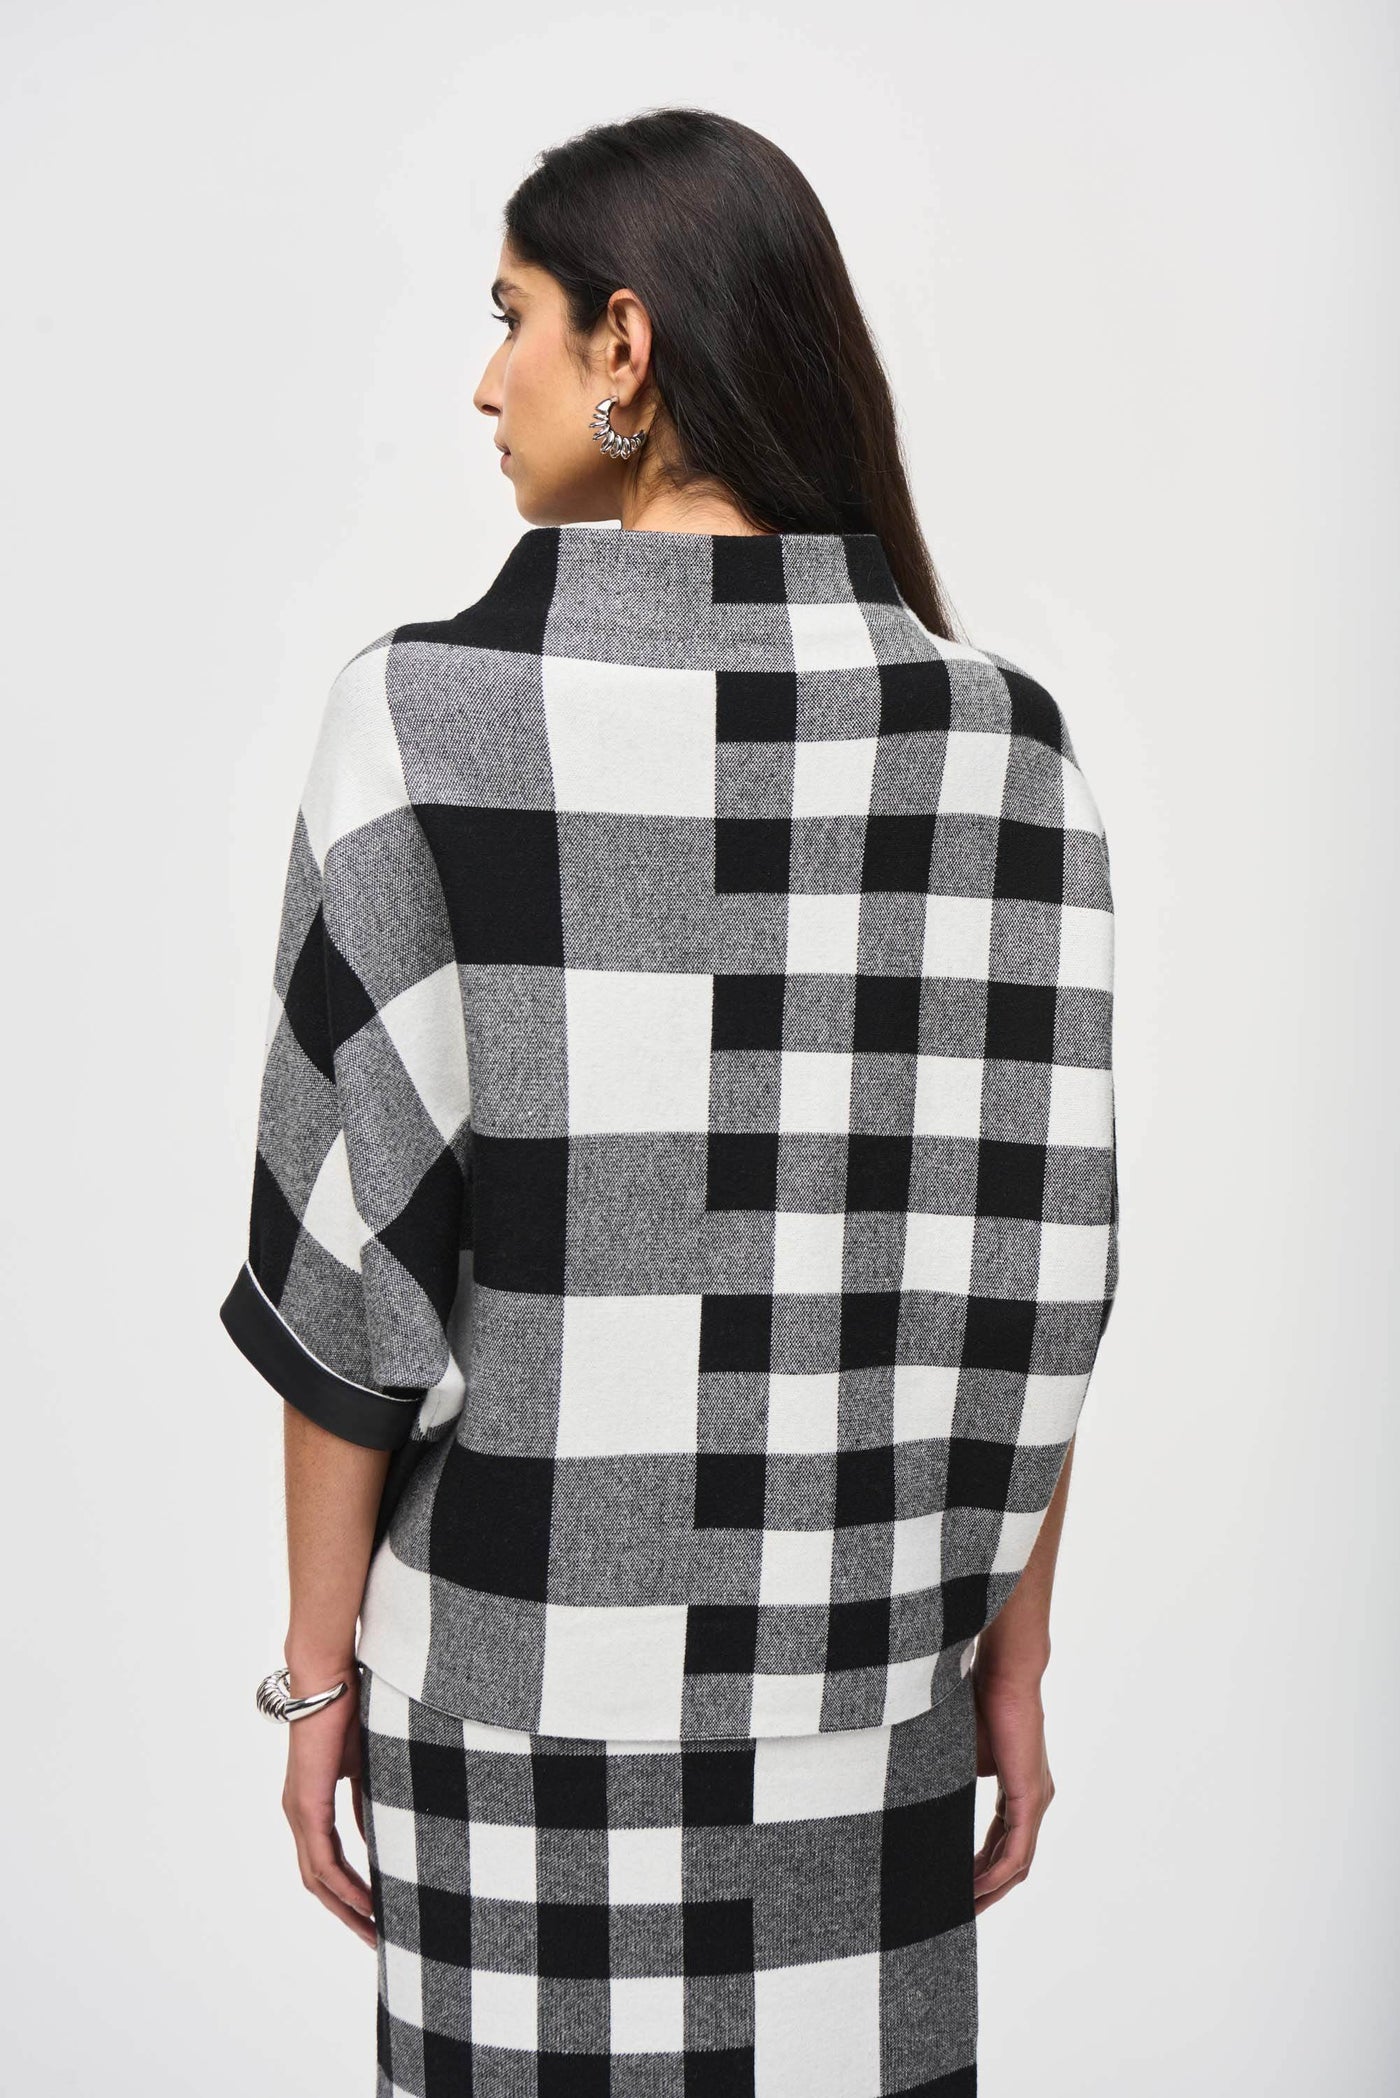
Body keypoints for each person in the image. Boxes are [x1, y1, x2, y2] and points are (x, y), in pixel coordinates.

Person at [220, 105, 1119, 2095]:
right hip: (867, 1708)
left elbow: (353, 1278)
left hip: (511, 1712)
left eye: (511, 317)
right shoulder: (1006, 754)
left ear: (623, 343)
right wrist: (1016, 1662)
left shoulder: (423, 721)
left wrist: (312, 1675)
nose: (487, 380)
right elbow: (1038, 1280)